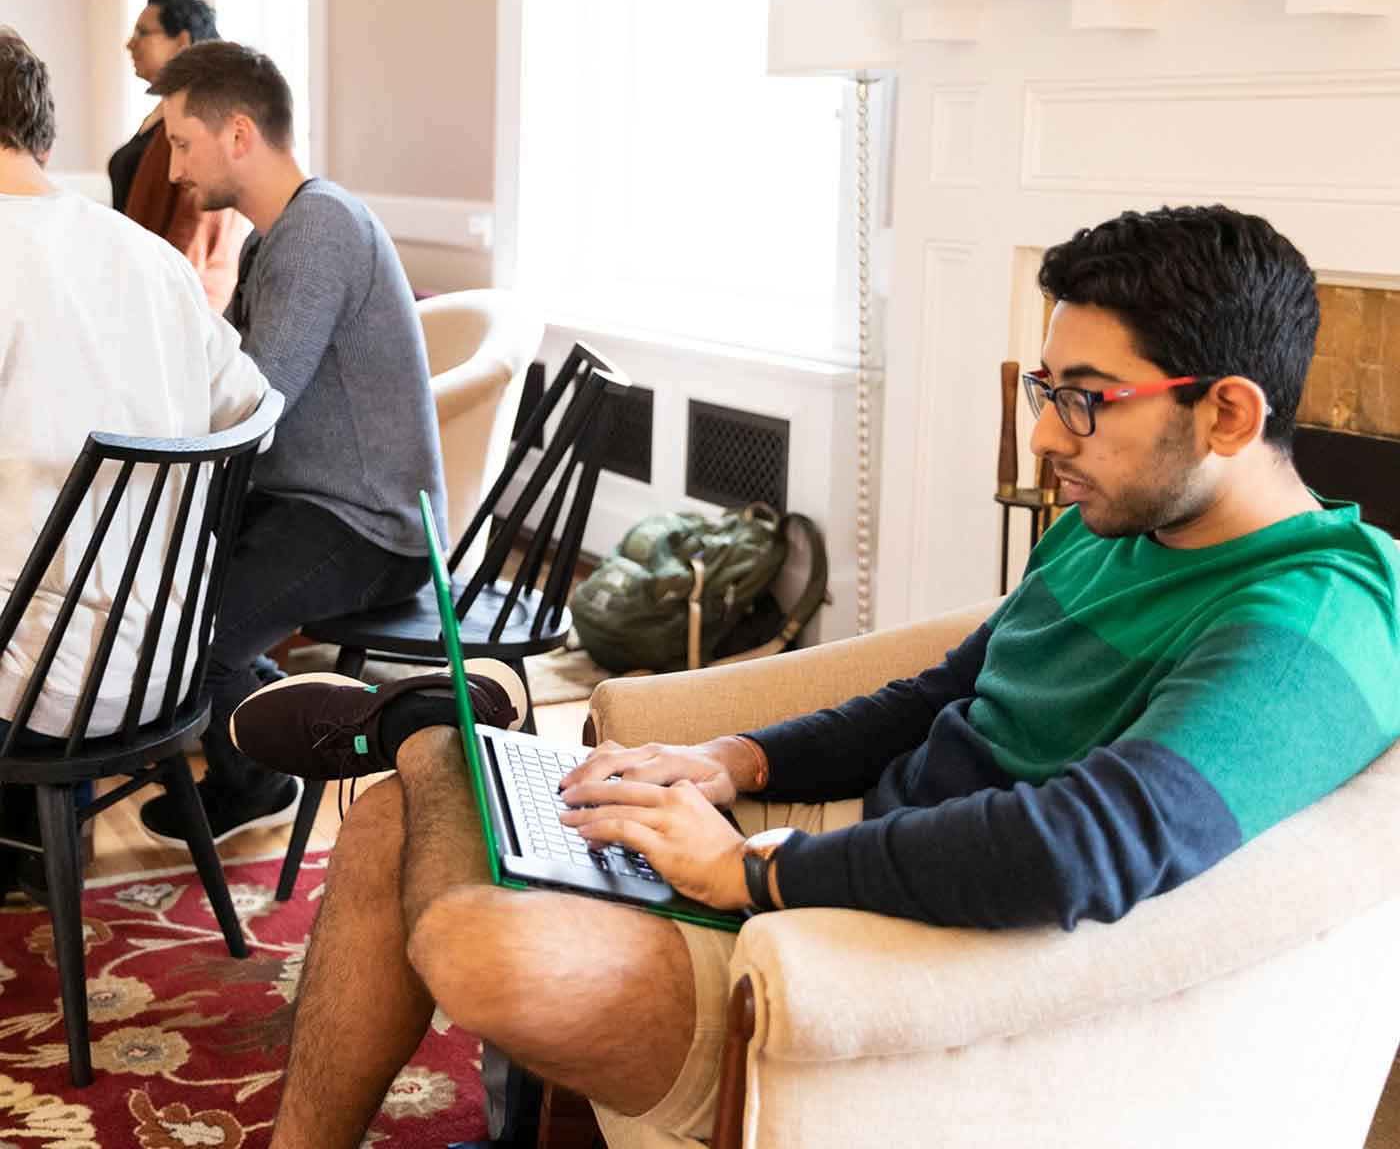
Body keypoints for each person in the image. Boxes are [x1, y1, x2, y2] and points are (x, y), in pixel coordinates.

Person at [229, 205, 1400, 1148]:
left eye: (1083, 400)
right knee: (415, 790)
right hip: (860, 847)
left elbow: (1079, 847)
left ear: (1229, 412)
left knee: (482, 933)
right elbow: (939, 692)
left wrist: (747, 870)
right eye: (1045, 392)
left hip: (886, 951)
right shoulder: (1117, 525)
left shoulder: (1310, 620)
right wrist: (731, 761)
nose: (1045, 438)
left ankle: (485, 814)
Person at [136, 40, 450, 849]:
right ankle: (294, 721)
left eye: (180, 142)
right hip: (308, 503)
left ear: (237, 133)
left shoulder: (320, 230)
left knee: (195, 634)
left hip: (369, 524)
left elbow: (256, 402)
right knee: (155, 591)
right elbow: (230, 382)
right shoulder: (271, 239)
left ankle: (262, 774)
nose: (172, 170)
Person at [0, 27, 269, 892]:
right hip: (165, 657)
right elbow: (250, 413)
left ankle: (25, 837)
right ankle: (35, 836)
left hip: (33, 685)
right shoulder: (147, 257)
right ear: (41, 134)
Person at [110, 0, 250, 311]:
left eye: (143, 33)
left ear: (182, 41)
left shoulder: (204, 121)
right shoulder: (163, 114)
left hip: (171, 299)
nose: (130, 44)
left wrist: (157, 301)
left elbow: (194, 232)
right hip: (144, 290)